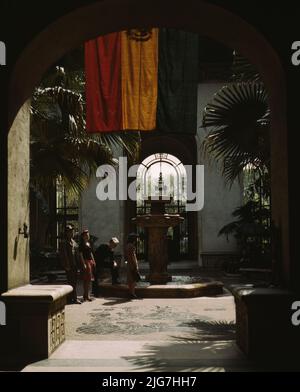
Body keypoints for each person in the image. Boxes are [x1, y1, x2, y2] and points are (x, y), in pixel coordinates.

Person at [59, 225, 81, 304]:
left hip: (75, 265)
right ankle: (71, 298)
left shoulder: (74, 242)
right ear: (66, 233)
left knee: (74, 282)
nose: (71, 233)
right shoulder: (64, 242)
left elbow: (77, 254)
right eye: (69, 232)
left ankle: (73, 298)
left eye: (72, 231)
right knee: (70, 282)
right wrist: (66, 265)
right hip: (69, 265)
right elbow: (63, 255)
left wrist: (79, 265)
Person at [79, 229, 96, 301]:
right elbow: (81, 254)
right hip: (85, 261)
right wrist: (83, 263)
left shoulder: (89, 243)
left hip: (90, 261)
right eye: (86, 235)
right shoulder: (82, 244)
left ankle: (86, 294)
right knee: (86, 279)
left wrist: (93, 260)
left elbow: (91, 252)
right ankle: (85, 295)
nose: (87, 236)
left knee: (89, 279)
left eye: (88, 234)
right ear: (83, 236)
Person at [125, 233, 140, 299]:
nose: (137, 239)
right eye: (136, 238)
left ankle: (131, 292)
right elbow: (133, 257)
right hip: (132, 264)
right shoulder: (132, 246)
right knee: (133, 279)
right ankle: (132, 293)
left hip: (129, 264)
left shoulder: (127, 245)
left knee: (130, 279)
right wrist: (136, 265)